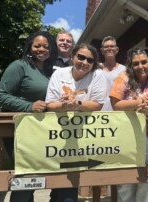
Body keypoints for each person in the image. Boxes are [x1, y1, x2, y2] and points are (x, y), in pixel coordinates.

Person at [0, 31, 58, 202]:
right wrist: (29, 106)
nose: (41, 49)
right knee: (25, 176)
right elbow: (1, 95)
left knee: (35, 175)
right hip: (18, 130)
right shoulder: (19, 65)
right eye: (37, 45)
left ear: (51, 50)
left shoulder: (48, 72)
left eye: (46, 46)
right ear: (30, 47)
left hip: (39, 130)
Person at [45, 43, 107, 202]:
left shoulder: (98, 75)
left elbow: (98, 105)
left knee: (70, 182)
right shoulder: (59, 74)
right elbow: (50, 104)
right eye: (81, 57)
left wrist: (77, 104)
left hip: (84, 135)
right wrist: (64, 106)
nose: (84, 62)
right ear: (72, 57)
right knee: (56, 178)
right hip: (57, 133)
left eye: (90, 60)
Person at [109, 48, 148, 202]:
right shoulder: (123, 77)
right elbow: (115, 103)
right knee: (126, 182)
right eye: (136, 63)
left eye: (144, 62)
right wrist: (138, 103)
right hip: (125, 139)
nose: (140, 66)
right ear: (131, 65)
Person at [99, 36, 126, 111]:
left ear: (117, 50)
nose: (109, 48)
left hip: (118, 111)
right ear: (102, 51)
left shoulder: (124, 70)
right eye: (106, 47)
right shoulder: (96, 69)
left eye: (112, 46)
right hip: (100, 110)